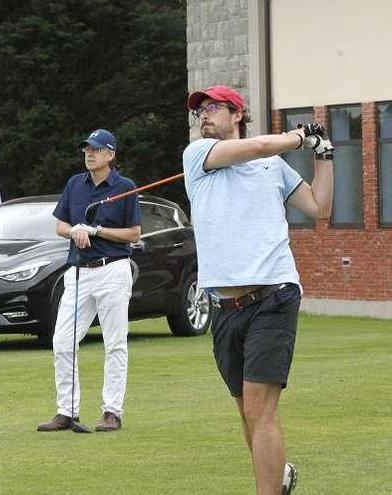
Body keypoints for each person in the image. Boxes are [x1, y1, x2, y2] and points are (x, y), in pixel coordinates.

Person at [183, 85, 334, 495]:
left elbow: (320, 206)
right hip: (225, 307)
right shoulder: (197, 156)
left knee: (259, 409)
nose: (204, 115)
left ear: (238, 114)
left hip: (274, 295)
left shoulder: (275, 168)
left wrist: (324, 154)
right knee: (247, 415)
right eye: (201, 110)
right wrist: (299, 137)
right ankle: (279, 474)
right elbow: (261, 146)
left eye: (215, 108)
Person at [37, 128, 141, 433]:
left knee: (115, 344)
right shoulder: (74, 184)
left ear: (110, 155)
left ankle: (112, 412)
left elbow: (134, 233)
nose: (89, 154)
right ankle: (66, 411)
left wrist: (96, 231)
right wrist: (76, 231)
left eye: (95, 150)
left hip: (113, 270)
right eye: (86, 150)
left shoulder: (124, 187)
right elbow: (61, 226)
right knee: (63, 341)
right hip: (80, 271)